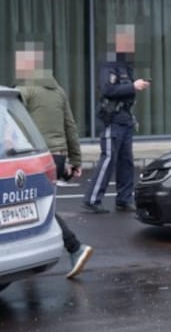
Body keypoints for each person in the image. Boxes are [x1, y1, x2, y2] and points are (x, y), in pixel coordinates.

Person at [14, 41, 94, 279]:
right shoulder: (58, 91)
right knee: (33, 208)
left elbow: (15, 125)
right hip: (56, 158)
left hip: (33, 158)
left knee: (37, 209)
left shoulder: (25, 91)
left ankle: (75, 246)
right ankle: (29, 259)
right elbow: (70, 126)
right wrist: (76, 161)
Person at [83, 24, 150, 213]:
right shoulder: (110, 64)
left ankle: (123, 199)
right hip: (113, 119)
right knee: (108, 158)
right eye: (126, 40)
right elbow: (108, 90)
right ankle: (92, 199)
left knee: (126, 161)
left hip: (125, 118)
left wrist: (136, 88)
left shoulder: (126, 65)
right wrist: (133, 87)